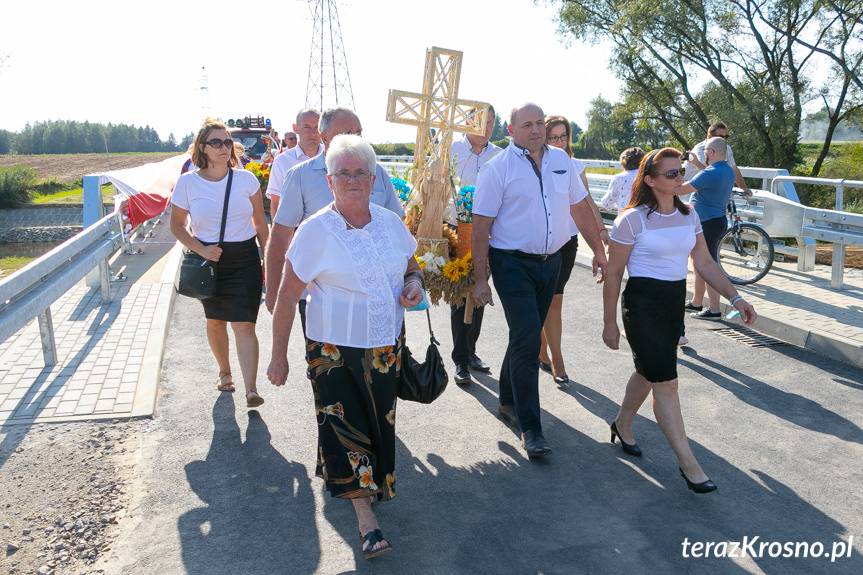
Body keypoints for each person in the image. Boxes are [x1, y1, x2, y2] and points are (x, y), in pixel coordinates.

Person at [267, 135, 422, 559]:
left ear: (373, 179)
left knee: (377, 425)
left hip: (385, 347)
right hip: (332, 352)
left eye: (360, 173)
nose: (352, 180)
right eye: (343, 173)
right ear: (329, 181)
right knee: (344, 429)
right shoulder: (314, 231)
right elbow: (287, 296)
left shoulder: (390, 223)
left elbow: (412, 266)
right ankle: (366, 522)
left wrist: (413, 285)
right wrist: (278, 355)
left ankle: (363, 485)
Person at [602, 147, 756, 493]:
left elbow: (705, 263)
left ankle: (622, 423)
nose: (680, 178)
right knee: (666, 383)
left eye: (681, 172)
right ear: (650, 180)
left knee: (649, 371)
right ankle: (690, 466)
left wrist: (736, 298)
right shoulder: (632, 219)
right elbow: (613, 274)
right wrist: (609, 323)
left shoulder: (689, 215)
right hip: (642, 306)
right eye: (671, 173)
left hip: (672, 305)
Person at [471, 103, 608, 458]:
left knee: (525, 333)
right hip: (511, 263)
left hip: (552, 261)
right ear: (511, 130)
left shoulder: (561, 160)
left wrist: (598, 249)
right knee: (529, 336)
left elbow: (579, 208)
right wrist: (480, 279)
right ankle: (531, 427)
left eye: (539, 123)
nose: (535, 130)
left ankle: (507, 399)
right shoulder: (497, 168)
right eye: (527, 124)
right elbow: (481, 226)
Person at [264, 108, 404, 322]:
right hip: (322, 303)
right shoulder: (301, 176)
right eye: (347, 133)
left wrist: (411, 280)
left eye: (358, 133)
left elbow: (397, 230)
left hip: (380, 297)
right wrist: (273, 292)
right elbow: (280, 237)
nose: (356, 139)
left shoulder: (377, 173)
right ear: (324, 137)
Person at [170, 118, 270, 407]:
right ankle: (225, 373)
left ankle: (251, 389)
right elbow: (177, 226)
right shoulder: (188, 183)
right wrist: (201, 250)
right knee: (215, 322)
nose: (224, 147)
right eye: (216, 142)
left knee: (244, 324)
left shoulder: (246, 180)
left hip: (245, 259)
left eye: (227, 142)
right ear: (202, 147)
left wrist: (268, 259)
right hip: (210, 262)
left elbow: (261, 225)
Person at [539, 115, 608, 386]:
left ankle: (554, 356)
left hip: (568, 241)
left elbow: (586, 202)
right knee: (544, 301)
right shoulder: (537, 163)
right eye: (553, 137)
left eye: (563, 136)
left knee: (555, 300)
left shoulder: (575, 166)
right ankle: (545, 351)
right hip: (542, 241)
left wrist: (600, 231)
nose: (559, 142)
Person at [448, 104, 501, 385]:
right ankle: (460, 359)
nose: (487, 128)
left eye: (491, 122)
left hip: (489, 234)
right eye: (481, 121)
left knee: (479, 293)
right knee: (460, 295)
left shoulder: (499, 156)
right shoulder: (451, 151)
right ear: (468, 122)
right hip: (457, 232)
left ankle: (471, 351)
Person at [681, 137, 739, 321]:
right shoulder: (726, 170)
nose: (703, 154)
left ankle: (714, 309)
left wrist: (670, 176)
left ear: (711, 153)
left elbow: (681, 190)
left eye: (705, 151)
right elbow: (709, 176)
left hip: (706, 223)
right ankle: (697, 301)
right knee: (700, 264)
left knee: (708, 265)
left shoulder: (710, 173)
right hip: (717, 220)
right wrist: (697, 164)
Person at [266, 109, 323, 217]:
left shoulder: (333, 157)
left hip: (329, 226)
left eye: (317, 127)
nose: (313, 133)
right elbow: (276, 202)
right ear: (295, 128)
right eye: (307, 127)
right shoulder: (282, 161)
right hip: (295, 226)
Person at [600, 147, 645, 212]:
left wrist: (606, 206)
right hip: (647, 215)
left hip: (626, 215)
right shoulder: (647, 176)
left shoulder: (619, 178)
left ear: (623, 163)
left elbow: (608, 201)